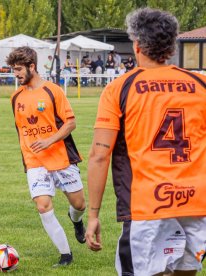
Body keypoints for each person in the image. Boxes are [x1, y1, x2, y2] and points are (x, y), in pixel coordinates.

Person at [85, 8, 206, 276]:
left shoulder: (120, 88)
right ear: (172, 46)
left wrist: (93, 215)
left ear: (136, 45)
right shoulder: (200, 84)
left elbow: (99, 155)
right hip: (195, 203)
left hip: (148, 205)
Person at [6, 46, 86, 267]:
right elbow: (21, 131)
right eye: (14, 70)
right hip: (35, 162)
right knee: (43, 205)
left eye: (19, 69)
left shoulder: (53, 91)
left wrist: (50, 140)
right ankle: (65, 255)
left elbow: (71, 123)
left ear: (32, 66)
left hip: (61, 158)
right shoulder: (15, 98)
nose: (16, 74)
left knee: (79, 205)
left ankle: (76, 221)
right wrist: (28, 156)